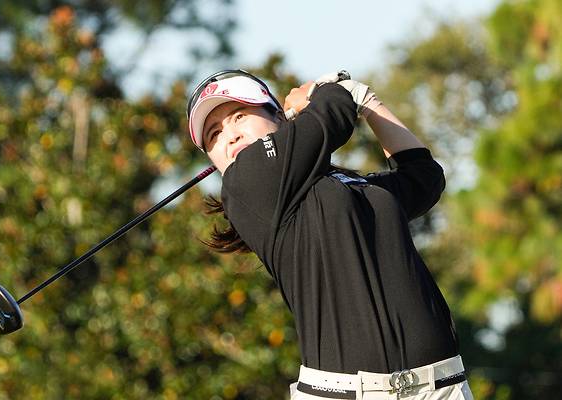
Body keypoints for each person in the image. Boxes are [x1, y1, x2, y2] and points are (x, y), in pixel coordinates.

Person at [186, 69, 474, 400]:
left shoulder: (346, 187)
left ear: (279, 117)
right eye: (214, 134)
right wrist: (322, 93)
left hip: (442, 388)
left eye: (239, 116)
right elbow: (335, 110)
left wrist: (367, 101)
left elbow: (423, 179)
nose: (230, 136)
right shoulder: (243, 183)